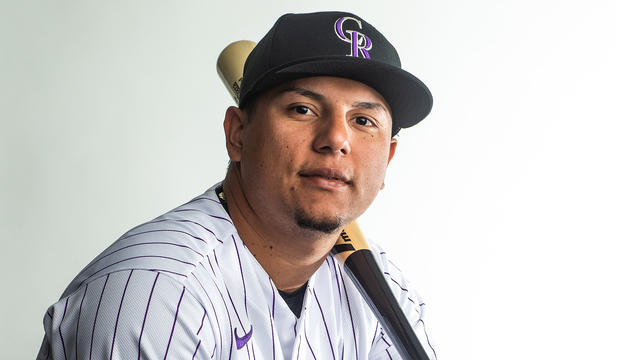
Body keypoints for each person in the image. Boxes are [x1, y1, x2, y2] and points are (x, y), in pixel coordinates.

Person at [37, 11, 437, 359]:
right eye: (303, 109)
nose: (336, 138)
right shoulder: (155, 293)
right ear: (238, 134)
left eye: (364, 120)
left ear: (386, 161)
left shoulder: (387, 296)